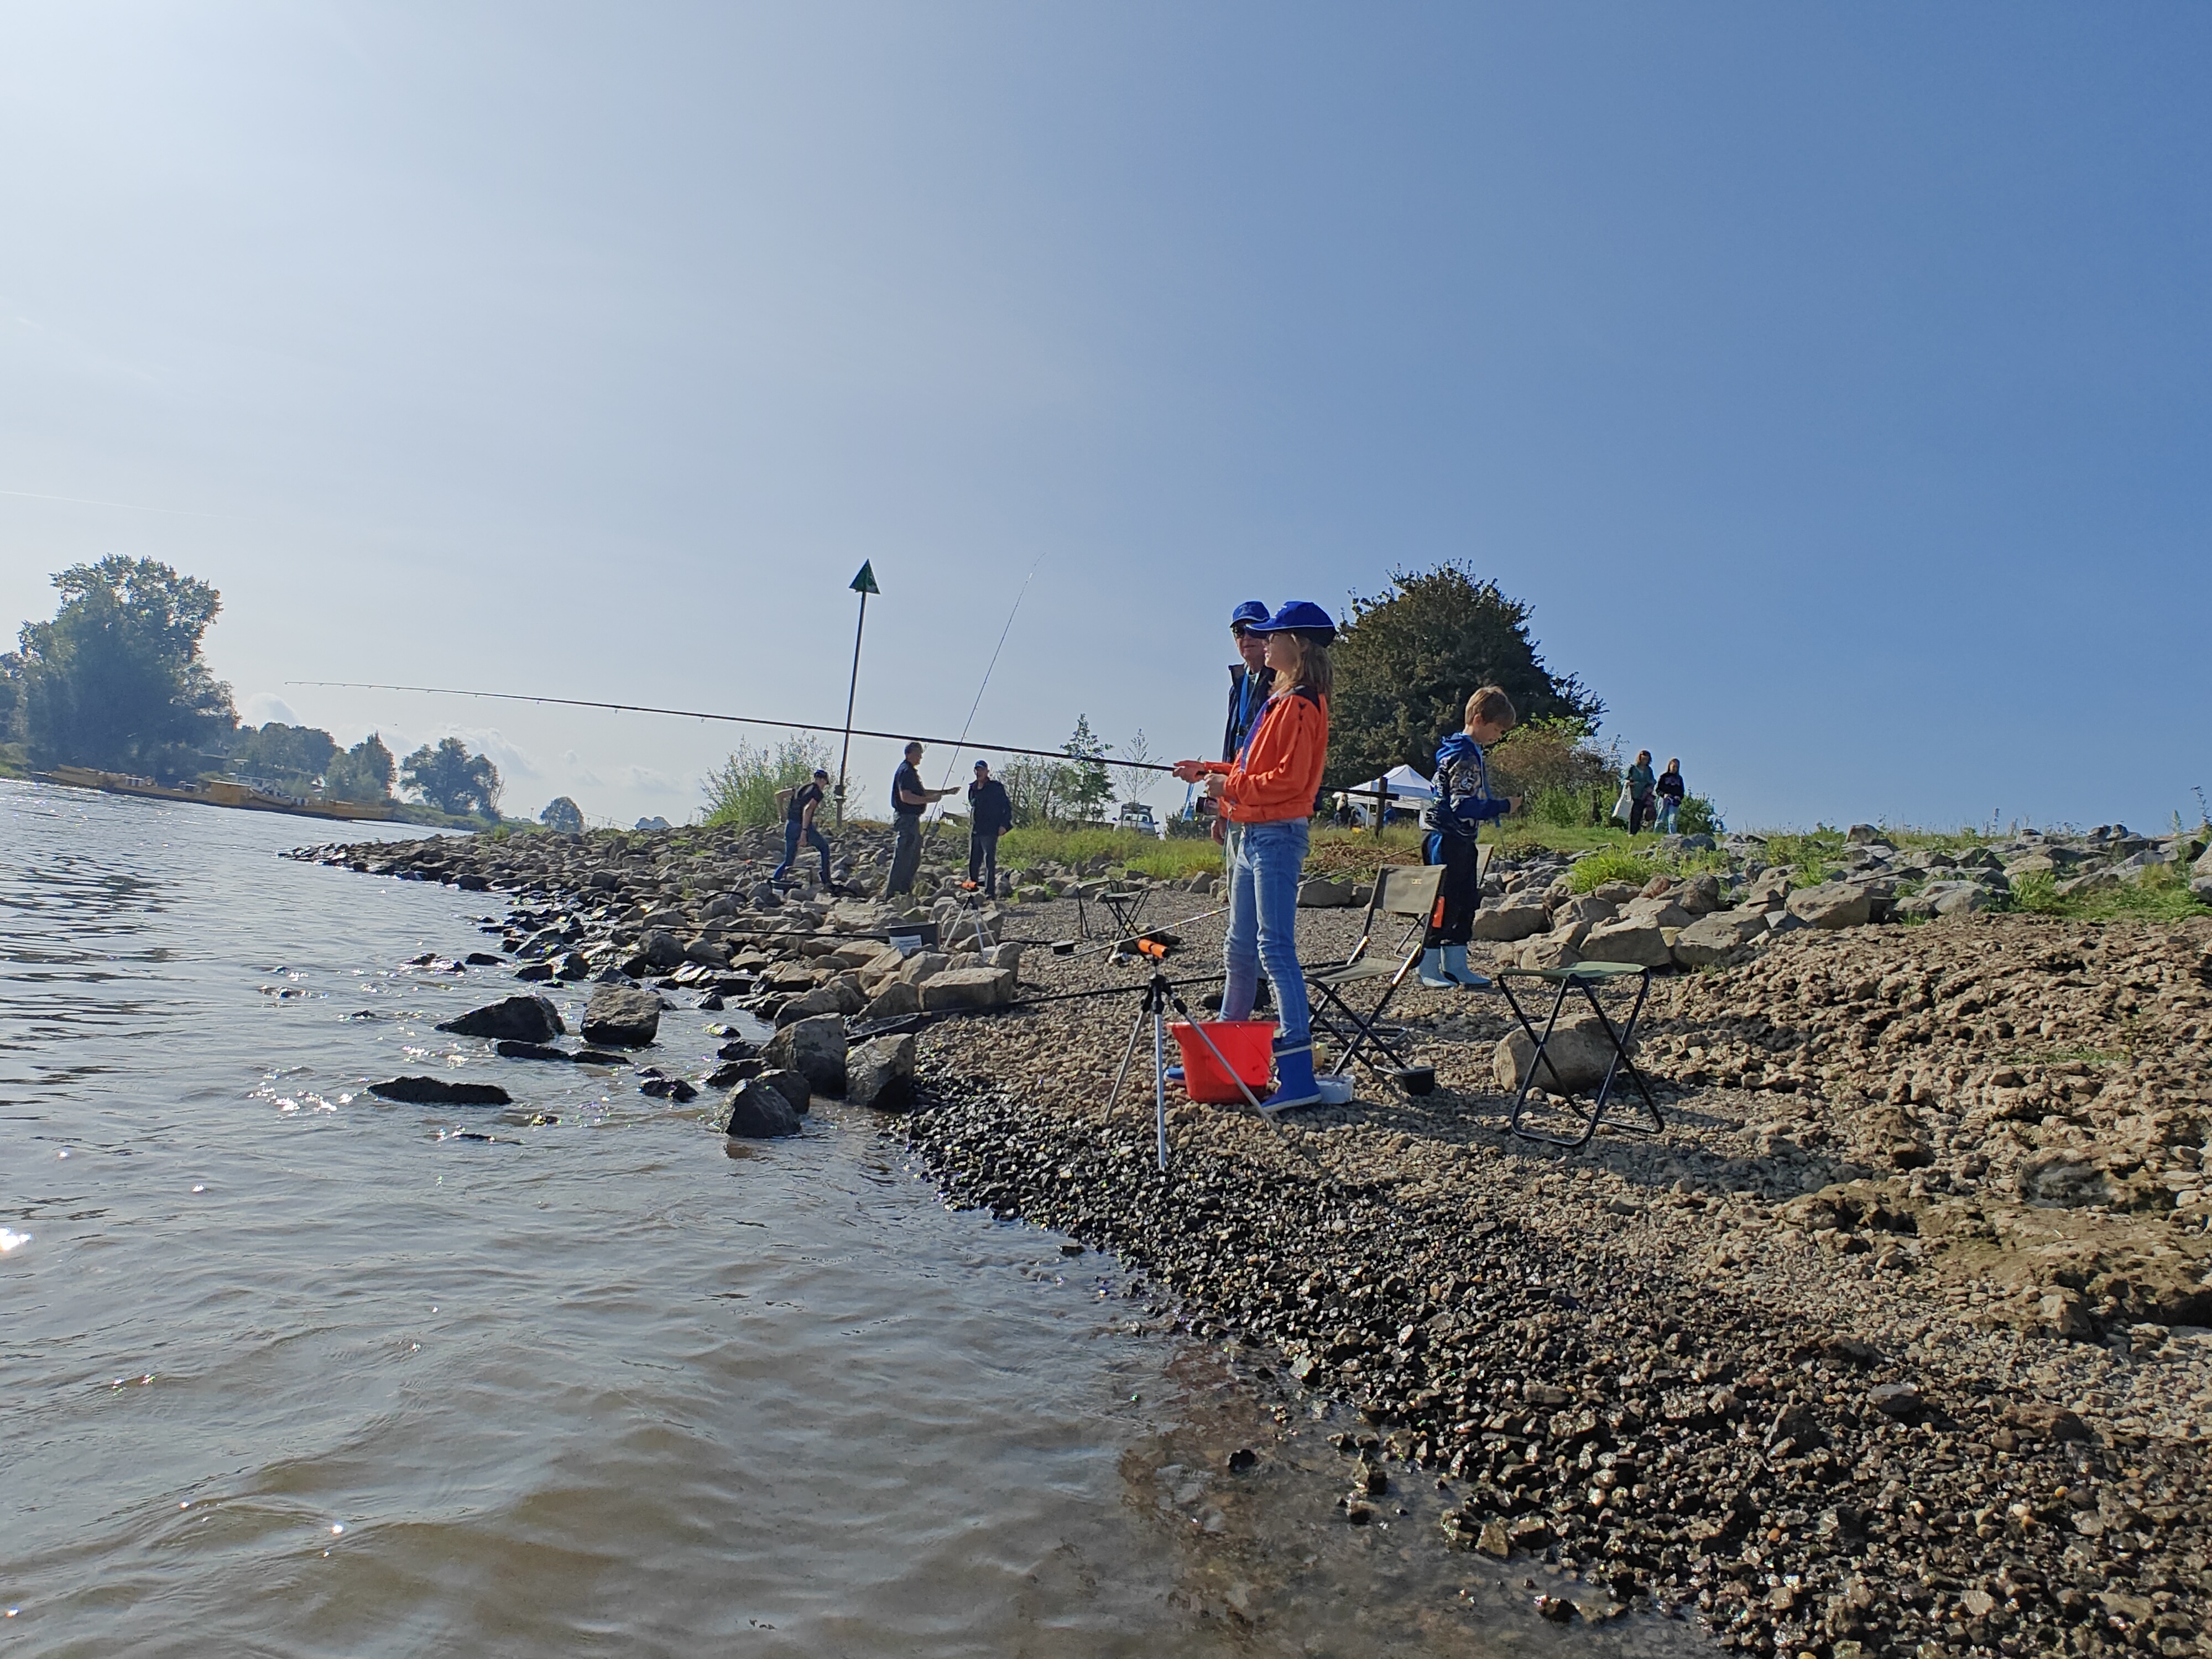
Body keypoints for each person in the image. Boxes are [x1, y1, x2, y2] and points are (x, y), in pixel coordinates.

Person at [1172, 599, 1335, 1112]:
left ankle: (1298, 1075)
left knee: (1275, 949)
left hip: (1276, 837)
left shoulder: (1303, 704)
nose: (1263, 642)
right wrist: (1209, 770)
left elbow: (1289, 780)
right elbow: (1252, 766)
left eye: (1272, 636)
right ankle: (1226, 1053)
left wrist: (1230, 786)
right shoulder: (1279, 699)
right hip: (1250, 833)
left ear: (1297, 645)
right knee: (1239, 946)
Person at [1417, 687, 1522, 989]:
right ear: (1479, 719)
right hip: (1447, 838)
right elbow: (1462, 805)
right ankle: (1429, 966)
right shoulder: (1464, 756)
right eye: (1497, 729)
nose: (1498, 737)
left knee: (1465, 900)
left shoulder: (1464, 750)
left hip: (1460, 838)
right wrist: (1503, 806)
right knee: (1443, 901)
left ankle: (1456, 965)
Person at [884, 742, 952, 898]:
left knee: (913, 858)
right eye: (918, 754)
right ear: (909, 754)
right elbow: (906, 797)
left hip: (911, 819)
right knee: (904, 855)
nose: (920, 757)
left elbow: (921, 792)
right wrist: (929, 800)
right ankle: (894, 892)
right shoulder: (906, 771)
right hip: (906, 818)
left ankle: (903, 889)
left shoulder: (910, 772)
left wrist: (945, 792)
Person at [772, 768, 834, 888]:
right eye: (825, 784)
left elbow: (778, 795)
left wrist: (782, 814)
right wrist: (804, 832)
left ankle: (774, 882)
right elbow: (808, 809)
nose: (824, 787)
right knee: (824, 848)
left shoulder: (800, 788)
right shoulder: (817, 793)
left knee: (789, 861)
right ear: (822, 780)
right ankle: (826, 879)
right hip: (802, 826)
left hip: (790, 825)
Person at [966, 760, 1013, 896]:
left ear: (987, 771)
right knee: (974, 862)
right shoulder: (973, 788)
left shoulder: (995, 787)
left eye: (981, 770)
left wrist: (1005, 825)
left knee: (989, 862)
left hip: (991, 829)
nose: (978, 772)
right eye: (977, 770)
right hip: (976, 830)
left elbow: (1007, 807)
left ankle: (990, 893)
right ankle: (972, 890)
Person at [1625, 750, 1657, 836]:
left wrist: (1651, 786)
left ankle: (1638, 831)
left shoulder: (1649, 770)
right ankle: (1631, 832)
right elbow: (1624, 779)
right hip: (1634, 794)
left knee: (1644, 814)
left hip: (1645, 795)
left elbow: (1652, 781)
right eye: (1643, 759)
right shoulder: (1632, 768)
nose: (1645, 761)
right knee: (1634, 813)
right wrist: (1630, 783)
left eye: (1646, 759)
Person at [1654, 758, 1686, 836]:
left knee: (1673, 819)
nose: (1675, 768)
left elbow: (1682, 791)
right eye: (1674, 766)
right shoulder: (1663, 777)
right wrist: (1664, 795)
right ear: (1670, 766)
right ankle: (1656, 835)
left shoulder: (1679, 779)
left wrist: (1679, 797)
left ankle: (1673, 836)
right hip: (1664, 800)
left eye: (1677, 767)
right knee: (1661, 818)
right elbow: (1658, 789)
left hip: (1675, 801)